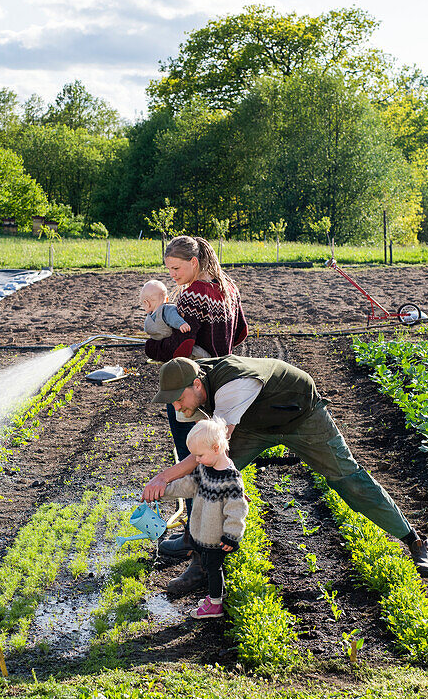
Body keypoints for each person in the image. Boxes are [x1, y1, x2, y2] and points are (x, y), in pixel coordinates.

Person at [143, 356, 428, 587]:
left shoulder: (233, 385)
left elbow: (212, 443)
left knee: (349, 480)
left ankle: (414, 540)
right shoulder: (196, 379)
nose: (177, 405)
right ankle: (199, 562)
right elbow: (205, 454)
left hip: (301, 417)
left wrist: (164, 477)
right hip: (255, 426)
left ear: (196, 384)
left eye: (178, 397)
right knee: (208, 477)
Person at [143, 236, 248, 591]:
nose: (172, 276)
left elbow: (180, 346)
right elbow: (243, 331)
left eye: (176, 268)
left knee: (193, 460)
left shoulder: (192, 294)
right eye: (168, 269)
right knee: (206, 459)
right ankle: (192, 537)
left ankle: (199, 553)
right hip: (217, 382)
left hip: (190, 386)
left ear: (194, 261)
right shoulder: (228, 288)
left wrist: (151, 344)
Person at [151, 416, 246, 619]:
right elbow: (188, 485)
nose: (196, 460)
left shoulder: (231, 480)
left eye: (199, 455)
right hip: (202, 533)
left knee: (213, 568)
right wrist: (164, 490)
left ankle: (215, 605)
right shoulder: (205, 468)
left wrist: (231, 536)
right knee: (209, 566)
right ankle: (215, 596)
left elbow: (237, 511)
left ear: (216, 447)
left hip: (216, 539)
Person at [139, 279, 211, 359]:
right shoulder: (151, 315)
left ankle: (206, 357)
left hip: (172, 342)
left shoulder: (166, 309)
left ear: (147, 303)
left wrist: (181, 324)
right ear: (166, 299)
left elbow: (173, 316)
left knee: (195, 352)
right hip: (161, 343)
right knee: (150, 347)